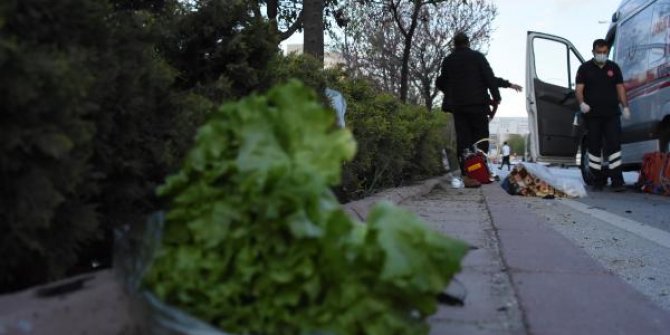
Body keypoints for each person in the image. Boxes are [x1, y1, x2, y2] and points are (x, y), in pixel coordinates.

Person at [436, 32, 520, 187]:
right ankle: (481, 171)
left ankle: (467, 175)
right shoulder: (478, 57)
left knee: (464, 141)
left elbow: (440, 82)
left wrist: (451, 91)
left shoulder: (448, 61)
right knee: (481, 139)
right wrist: (497, 96)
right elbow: (489, 78)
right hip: (478, 106)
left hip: (459, 107)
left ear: (454, 44)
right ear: (468, 42)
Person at [576, 38, 630, 192]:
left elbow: (620, 88)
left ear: (607, 52)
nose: (602, 55)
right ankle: (598, 180)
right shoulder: (584, 69)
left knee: (614, 146)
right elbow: (579, 89)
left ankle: (617, 181)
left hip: (612, 114)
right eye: (599, 52)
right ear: (593, 52)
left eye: (604, 52)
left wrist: (625, 106)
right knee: (594, 148)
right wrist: (582, 104)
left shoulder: (614, 67)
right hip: (592, 115)